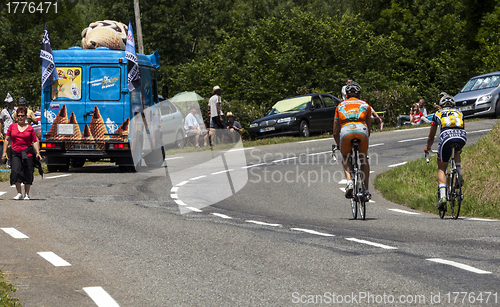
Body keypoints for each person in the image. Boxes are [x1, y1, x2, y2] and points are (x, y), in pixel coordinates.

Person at [424, 95, 466, 211]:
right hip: (461, 136)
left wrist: (428, 147)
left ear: (441, 105)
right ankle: (459, 174)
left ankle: (443, 196)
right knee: (457, 150)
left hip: (446, 137)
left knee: (442, 168)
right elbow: (462, 127)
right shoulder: (459, 112)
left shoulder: (438, 113)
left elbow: (431, 136)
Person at [333, 82, 372, 200]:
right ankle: (366, 190)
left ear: (346, 94)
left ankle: (349, 182)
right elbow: (369, 128)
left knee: (345, 157)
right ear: (359, 94)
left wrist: (338, 145)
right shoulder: (365, 105)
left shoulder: (340, 106)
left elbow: (335, 131)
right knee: (363, 159)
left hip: (346, 131)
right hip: (362, 130)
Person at [2, 106, 43, 200]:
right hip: (15, 153)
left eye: (22, 116)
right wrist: (4, 153)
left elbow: (34, 141)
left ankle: (27, 194)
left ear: (25, 117)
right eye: (19, 116)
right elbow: (7, 140)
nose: (20, 117)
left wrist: (37, 153)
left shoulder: (30, 128)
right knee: (16, 171)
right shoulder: (12, 127)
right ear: (16, 117)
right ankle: (19, 193)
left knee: (28, 172)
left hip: (27, 153)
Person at [0, 93, 18, 168]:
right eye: (8, 103)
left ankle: (16, 160)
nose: (9, 104)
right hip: (7, 131)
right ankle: (9, 159)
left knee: (15, 146)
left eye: (11, 102)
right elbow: (1, 122)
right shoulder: (4, 111)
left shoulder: (17, 110)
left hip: (16, 130)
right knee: (8, 146)